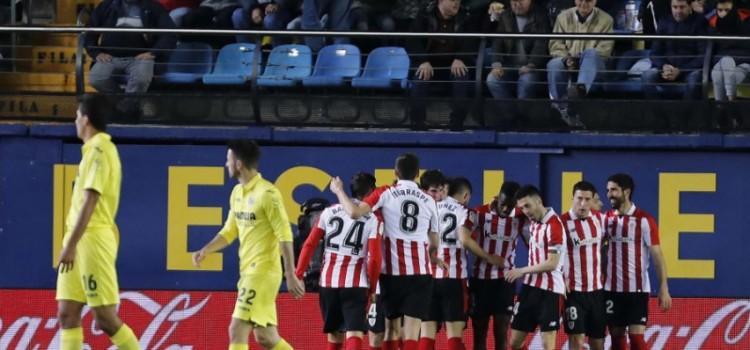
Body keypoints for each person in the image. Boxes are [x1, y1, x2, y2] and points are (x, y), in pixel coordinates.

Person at [191, 140, 305, 350]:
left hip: (262, 271)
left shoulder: (267, 194)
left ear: (239, 164)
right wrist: (206, 249)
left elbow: (285, 234)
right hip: (248, 272)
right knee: (266, 337)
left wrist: (290, 273)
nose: (226, 165)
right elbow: (229, 231)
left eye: (228, 160)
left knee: (237, 329)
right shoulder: (237, 193)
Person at [329, 153, 443, 350]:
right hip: (420, 274)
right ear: (417, 174)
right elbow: (434, 241)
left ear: (395, 172)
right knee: (412, 334)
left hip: (391, 274)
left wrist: (339, 191)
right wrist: (433, 256)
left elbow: (355, 213)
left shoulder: (385, 193)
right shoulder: (429, 200)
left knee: (391, 330)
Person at [56, 94, 140, 350]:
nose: (75, 121)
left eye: (77, 116)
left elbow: (91, 202)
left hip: (91, 239)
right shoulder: (91, 151)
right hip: (79, 239)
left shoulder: (101, 150)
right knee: (66, 313)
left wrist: (71, 244)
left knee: (104, 317)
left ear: (86, 119)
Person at [295, 172, 382, 350]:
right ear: (371, 192)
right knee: (355, 332)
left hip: (328, 282)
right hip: (356, 283)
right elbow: (374, 258)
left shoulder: (329, 212)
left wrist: (298, 274)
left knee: (334, 334)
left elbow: (309, 244)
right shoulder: (372, 219)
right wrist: (372, 288)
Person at [604, 173, 671, 350]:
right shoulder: (605, 219)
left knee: (636, 338)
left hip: (638, 289)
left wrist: (663, 287)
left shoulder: (644, 220)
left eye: (614, 190)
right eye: (608, 190)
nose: (609, 194)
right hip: (611, 290)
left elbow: (657, 255)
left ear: (626, 192)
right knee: (617, 339)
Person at [468, 181, 528, 350]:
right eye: (503, 204)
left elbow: (534, 244)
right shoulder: (479, 213)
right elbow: (464, 239)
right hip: (480, 281)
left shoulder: (520, 217)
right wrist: (488, 257)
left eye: (511, 206)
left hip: (505, 282)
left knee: (501, 333)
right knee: (479, 333)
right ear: (497, 198)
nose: (506, 209)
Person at [505, 185, 566, 350]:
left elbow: (552, 263)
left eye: (528, 206)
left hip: (550, 291)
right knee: (514, 342)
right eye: (522, 207)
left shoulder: (555, 226)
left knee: (548, 345)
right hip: (530, 289)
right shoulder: (531, 219)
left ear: (539, 201)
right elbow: (506, 210)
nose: (525, 211)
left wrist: (521, 271)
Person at [419, 177, 476, 350]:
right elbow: (466, 239)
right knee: (454, 335)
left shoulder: (427, 207)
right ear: (465, 196)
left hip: (428, 278)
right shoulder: (465, 211)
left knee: (426, 333)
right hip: (454, 277)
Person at [409, 0, 477, 130]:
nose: (456, 3)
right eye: (452, 0)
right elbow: (412, 40)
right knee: (420, 79)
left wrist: (461, 58)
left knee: (461, 77)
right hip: (429, 64)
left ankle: (456, 124)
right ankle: (417, 123)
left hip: (454, 64)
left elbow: (472, 40)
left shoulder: (466, 16)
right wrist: (422, 61)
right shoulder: (424, 15)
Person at [85, 0, 177, 95]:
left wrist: (153, 53)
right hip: (110, 56)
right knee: (96, 79)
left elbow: (169, 34)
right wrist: (96, 53)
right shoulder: (106, 6)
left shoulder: (153, 7)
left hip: (141, 57)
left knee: (141, 80)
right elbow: (89, 32)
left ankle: (126, 106)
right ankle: (124, 103)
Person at [548, 0, 614, 127]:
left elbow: (604, 51)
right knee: (554, 64)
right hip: (568, 63)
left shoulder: (606, 19)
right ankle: (558, 107)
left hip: (594, 66)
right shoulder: (562, 17)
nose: (583, 4)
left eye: (588, 0)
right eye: (580, 0)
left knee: (591, 54)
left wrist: (579, 60)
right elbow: (555, 44)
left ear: (595, 1)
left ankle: (579, 91)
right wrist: (566, 59)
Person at [561, 181, 607, 350]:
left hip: (596, 292)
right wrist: (561, 276)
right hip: (574, 292)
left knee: (598, 343)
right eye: (579, 198)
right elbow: (552, 253)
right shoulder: (561, 222)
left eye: (587, 199)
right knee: (577, 341)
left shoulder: (600, 220)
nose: (583, 204)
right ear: (572, 198)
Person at [486, 0, 551, 105]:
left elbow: (541, 45)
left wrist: (531, 65)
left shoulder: (540, 15)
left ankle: (522, 115)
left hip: (533, 67)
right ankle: (511, 115)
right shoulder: (506, 15)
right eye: (514, 1)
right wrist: (496, 64)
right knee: (492, 79)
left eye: (521, 1)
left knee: (527, 80)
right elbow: (498, 42)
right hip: (510, 66)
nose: (517, 4)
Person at [642, 0, 708, 100]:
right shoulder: (664, 21)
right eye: (675, 7)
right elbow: (655, 52)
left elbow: (703, 56)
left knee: (695, 79)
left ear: (690, 6)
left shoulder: (700, 22)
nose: (678, 11)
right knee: (647, 76)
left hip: (689, 70)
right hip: (666, 69)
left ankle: (684, 114)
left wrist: (680, 70)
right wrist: (664, 66)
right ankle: (658, 113)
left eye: (682, 7)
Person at [710, 0, 750, 102]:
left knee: (720, 70)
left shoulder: (746, 26)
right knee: (722, 67)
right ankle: (731, 104)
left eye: (727, 10)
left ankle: (721, 107)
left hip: (743, 65)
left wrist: (728, 58)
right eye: (720, 10)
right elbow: (710, 54)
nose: (723, 14)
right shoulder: (713, 29)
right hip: (721, 65)